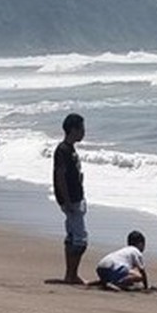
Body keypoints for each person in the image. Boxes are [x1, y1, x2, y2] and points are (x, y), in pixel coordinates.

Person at [52, 113, 88, 284]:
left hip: (75, 196)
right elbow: (60, 176)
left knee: (72, 236)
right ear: (73, 129)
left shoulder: (71, 149)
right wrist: (66, 200)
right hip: (71, 199)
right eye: (81, 128)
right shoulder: (63, 150)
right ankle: (71, 274)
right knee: (80, 240)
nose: (84, 132)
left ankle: (70, 273)